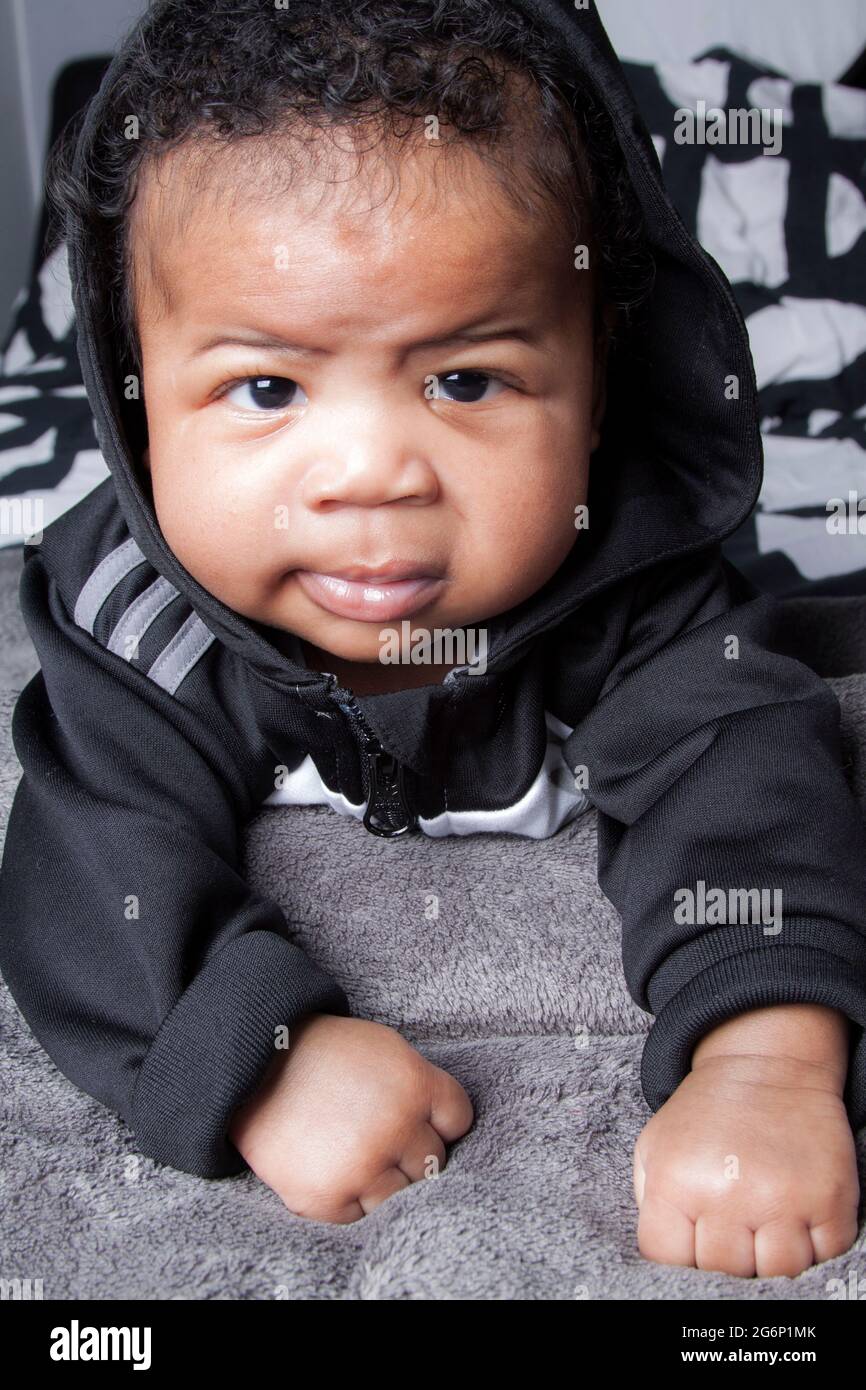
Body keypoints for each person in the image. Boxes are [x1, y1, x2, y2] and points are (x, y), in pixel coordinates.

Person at [1, 0, 864, 1278]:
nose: (366, 476)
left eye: (463, 380)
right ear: (136, 385)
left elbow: (739, 778)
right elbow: (88, 853)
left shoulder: (626, 567)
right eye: (264, 387)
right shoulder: (140, 605)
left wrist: (763, 1052)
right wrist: (257, 1056)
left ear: (596, 371)